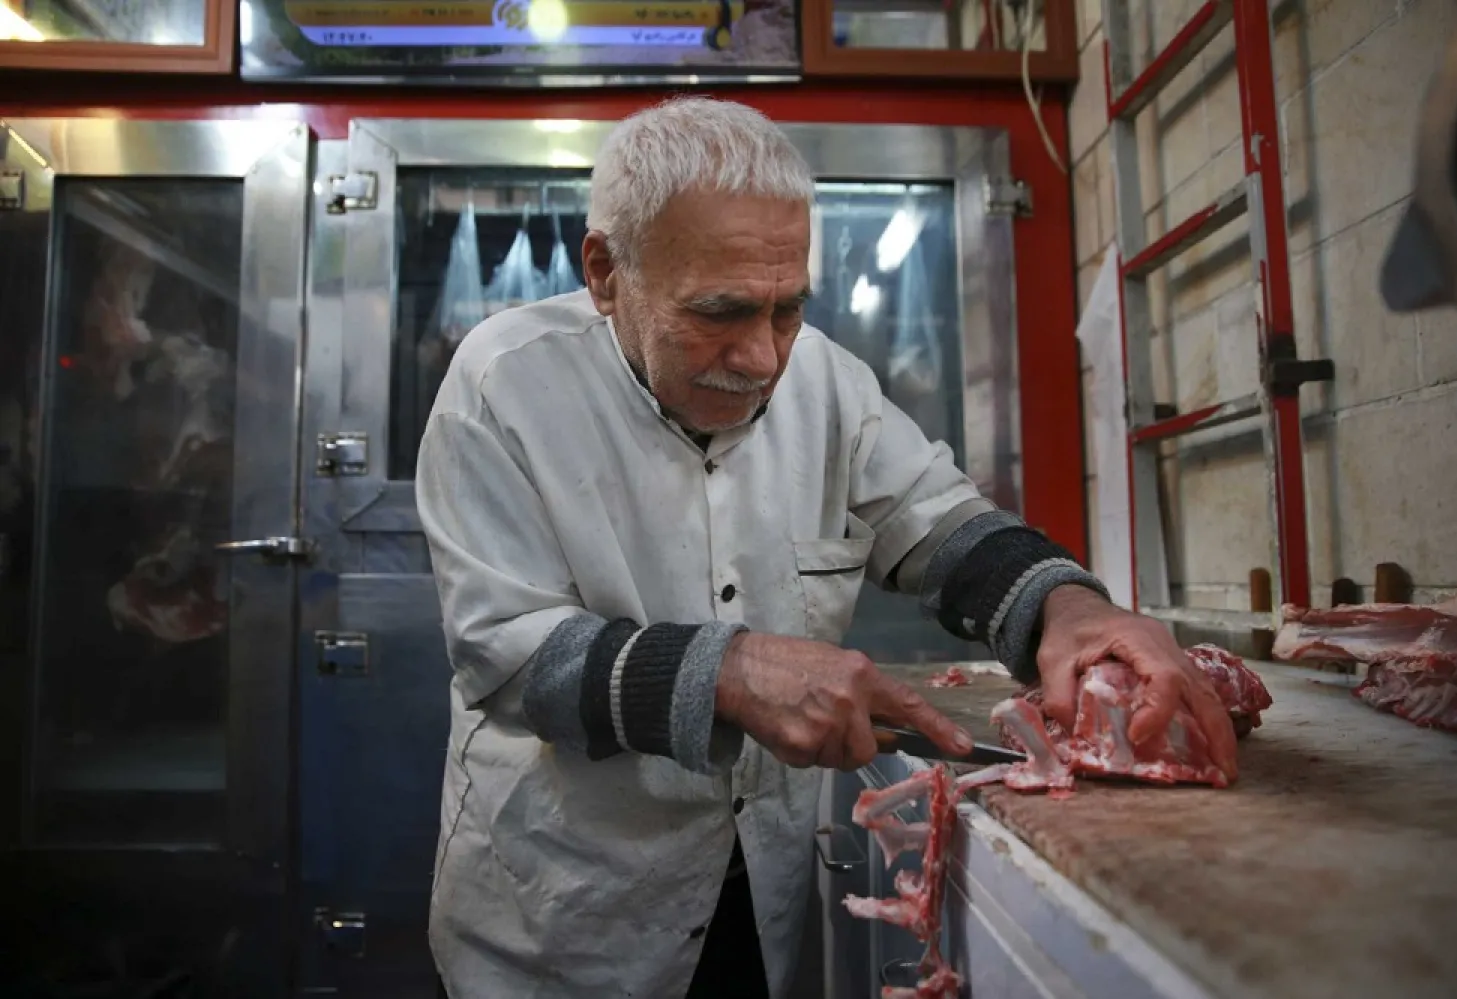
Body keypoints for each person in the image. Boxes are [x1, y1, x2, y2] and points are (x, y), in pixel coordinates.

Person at [414, 96, 1238, 999]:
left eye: (787, 309)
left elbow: (940, 523)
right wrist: (733, 671)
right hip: (568, 911)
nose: (764, 357)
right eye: (720, 311)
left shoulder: (827, 383)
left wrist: (1069, 607)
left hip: (756, 892)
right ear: (608, 272)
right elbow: (508, 656)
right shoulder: (505, 386)